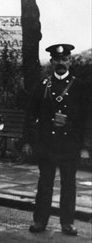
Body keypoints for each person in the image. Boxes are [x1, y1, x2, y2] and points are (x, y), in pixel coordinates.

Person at [22, 43, 90, 236]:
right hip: (47, 144)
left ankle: (67, 223)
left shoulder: (80, 86)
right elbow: (30, 114)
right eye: (57, 59)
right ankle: (40, 221)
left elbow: (87, 118)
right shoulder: (43, 86)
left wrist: (85, 146)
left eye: (65, 59)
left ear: (70, 61)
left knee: (69, 185)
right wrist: (27, 140)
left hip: (70, 144)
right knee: (45, 183)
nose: (61, 63)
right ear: (52, 62)